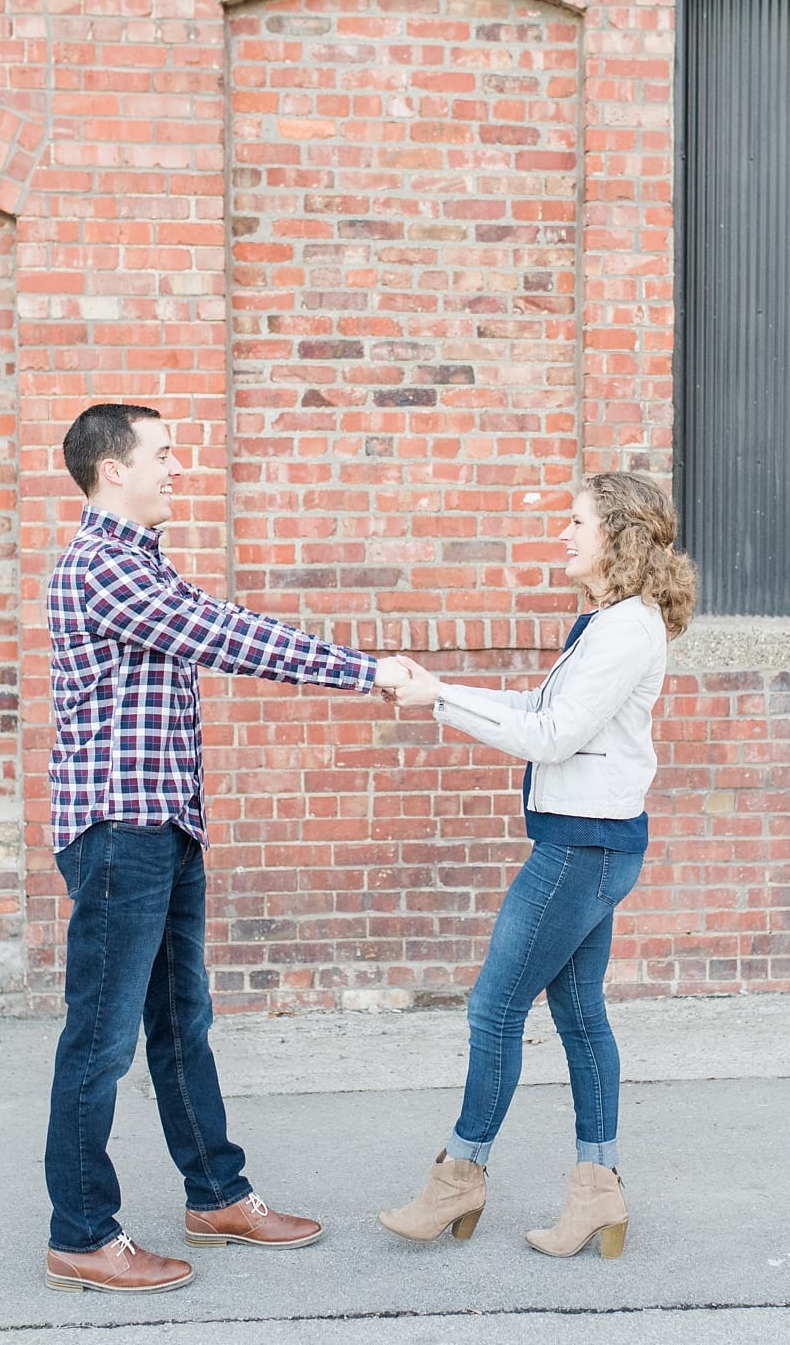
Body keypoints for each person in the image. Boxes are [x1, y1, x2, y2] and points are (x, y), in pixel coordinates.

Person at [41, 402, 409, 1294]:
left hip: (163, 829)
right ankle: (81, 1232)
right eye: (162, 455)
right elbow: (229, 636)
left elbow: (211, 623)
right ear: (111, 469)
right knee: (99, 1041)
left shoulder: (140, 564)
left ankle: (215, 1193)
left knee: (180, 1027)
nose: (178, 469)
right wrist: (370, 672)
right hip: (121, 835)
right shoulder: (102, 568)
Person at [377, 471, 697, 1259]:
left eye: (577, 521)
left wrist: (437, 695)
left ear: (616, 535)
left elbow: (549, 735)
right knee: (579, 1011)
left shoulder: (625, 629)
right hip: (593, 841)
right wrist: (440, 695)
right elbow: (536, 708)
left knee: (494, 1010)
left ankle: (460, 1175)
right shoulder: (609, 622)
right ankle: (598, 1190)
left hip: (581, 848)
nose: (563, 532)